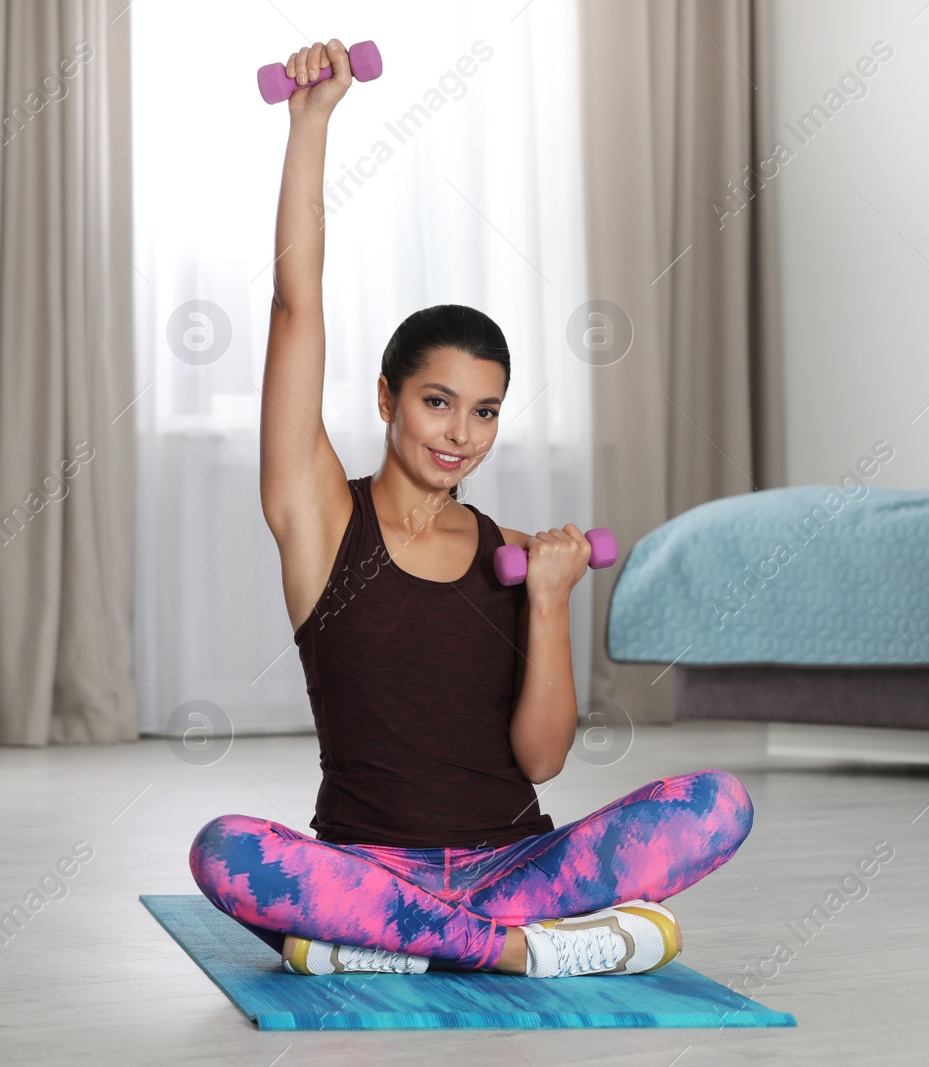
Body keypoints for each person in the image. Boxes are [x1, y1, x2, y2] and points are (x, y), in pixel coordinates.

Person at [187, 39, 752, 979]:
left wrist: (549, 601)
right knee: (224, 848)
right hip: (366, 864)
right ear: (386, 400)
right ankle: (520, 954)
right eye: (436, 401)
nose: (460, 433)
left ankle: (393, 944)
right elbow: (296, 307)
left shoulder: (516, 556)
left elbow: (540, 762)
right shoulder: (319, 514)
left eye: (484, 410)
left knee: (718, 801)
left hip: (512, 865)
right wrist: (311, 124)